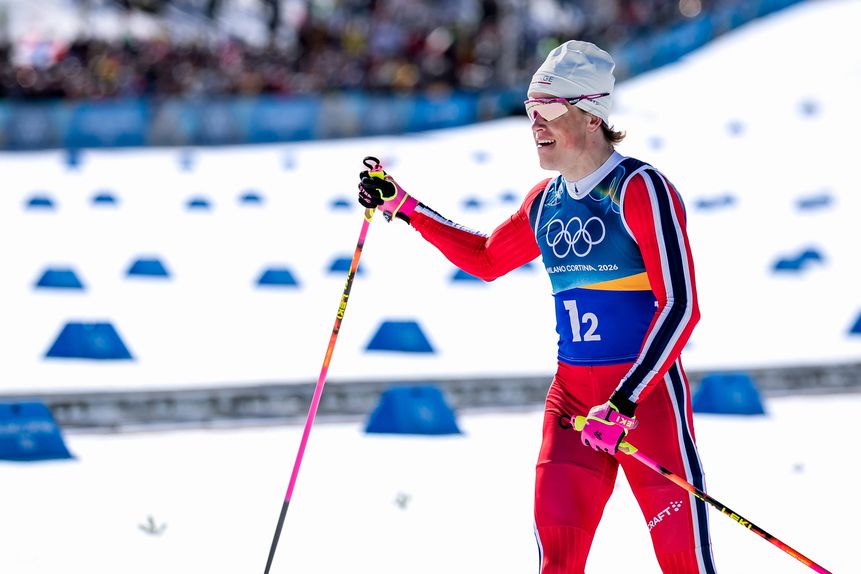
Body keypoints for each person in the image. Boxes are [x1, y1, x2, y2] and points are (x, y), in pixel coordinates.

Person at [357, 40, 716, 573]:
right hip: (572, 406)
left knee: (684, 566)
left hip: (645, 408)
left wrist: (624, 401)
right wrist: (405, 207)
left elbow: (681, 306)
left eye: (548, 109)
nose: (535, 123)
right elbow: (485, 258)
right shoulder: (545, 202)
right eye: (530, 110)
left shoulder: (640, 189)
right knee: (557, 565)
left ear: (592, 115)